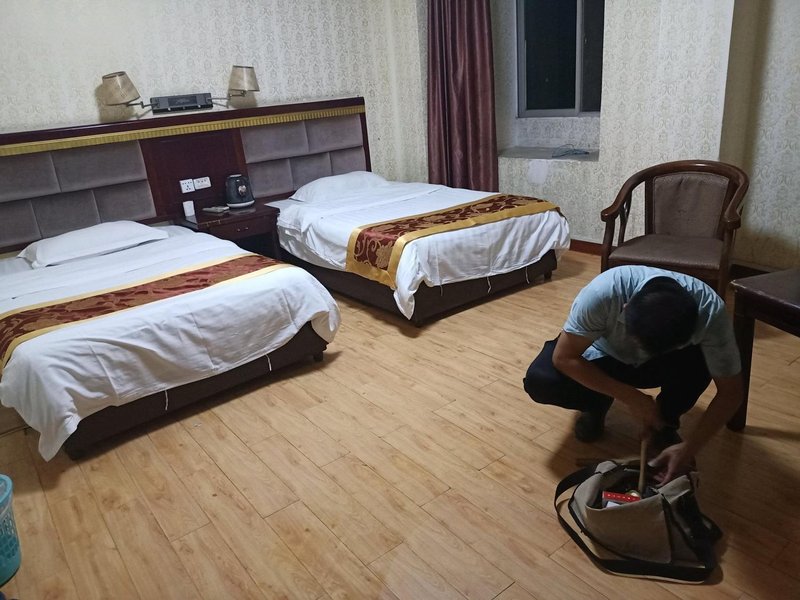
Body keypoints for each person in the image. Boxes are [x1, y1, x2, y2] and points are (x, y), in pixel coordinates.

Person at [523, 265, 743, 484]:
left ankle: (664, 421)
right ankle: (595, 403)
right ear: (626, 307)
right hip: (605, 357)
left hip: (662, 366)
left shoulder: (710, 312)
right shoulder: (603, 293)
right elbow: (563, 357)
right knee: (541, 379)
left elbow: (731, 393)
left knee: (704, 360)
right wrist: (632, 398)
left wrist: (690, 448)